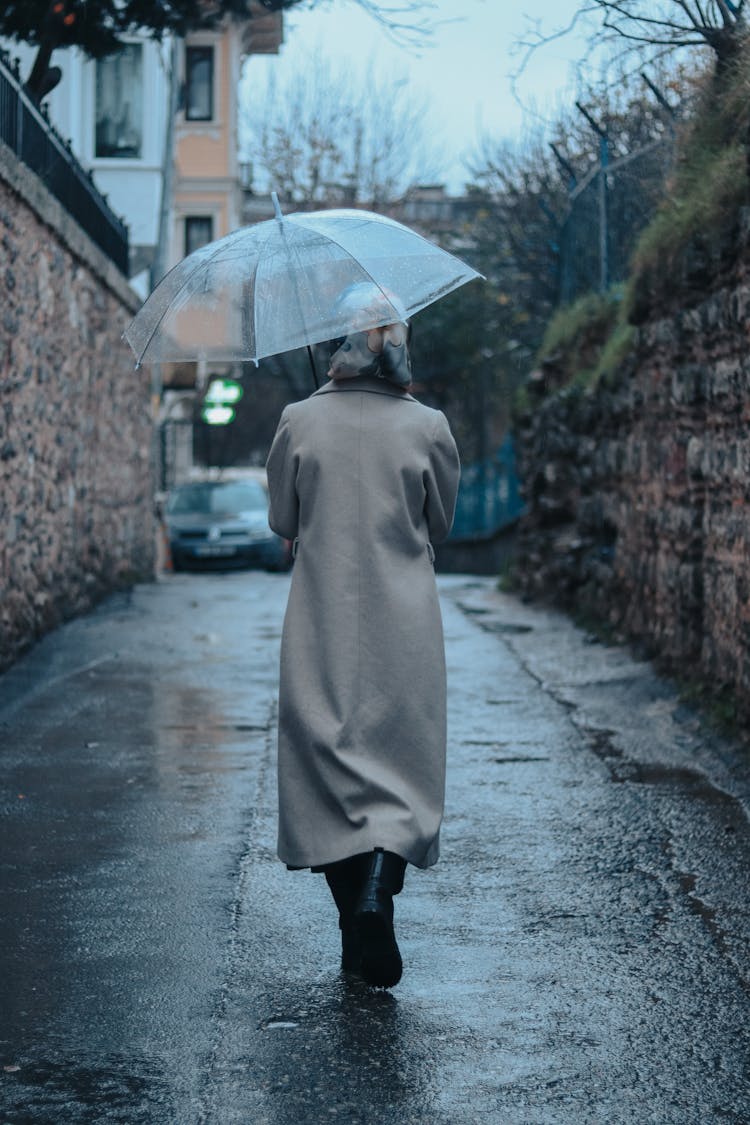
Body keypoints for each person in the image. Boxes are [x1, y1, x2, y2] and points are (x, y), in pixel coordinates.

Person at [265, 292, 460, 989]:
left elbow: (280, 516)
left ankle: (358, 913)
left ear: (338, 340)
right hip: (404, 623)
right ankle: (379, 887)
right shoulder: (428, 426)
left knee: (326, 763)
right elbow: (440, 524)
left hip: (319, 617)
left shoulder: (299, 419)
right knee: (398, 768)